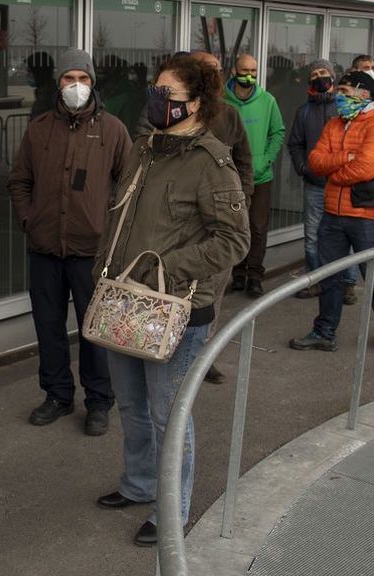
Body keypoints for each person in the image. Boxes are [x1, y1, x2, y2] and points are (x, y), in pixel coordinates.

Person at [94, 54, 250, 547]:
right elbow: (121, 219)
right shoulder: (146, 148)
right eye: (155, 91)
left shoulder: (210, 162)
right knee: (132, 404)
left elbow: (233, 241)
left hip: (176, 308)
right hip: (126, 299)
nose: (157, 101)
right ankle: (140, 484)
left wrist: (168, 268)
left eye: (168, 95)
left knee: (169, 414)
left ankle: (171, 510)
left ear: (196, 103)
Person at [8, 48, 130, 436]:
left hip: (91, 251)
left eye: (83, 78)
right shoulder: (39, 127)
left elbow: (129, 186)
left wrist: (110, 230)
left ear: (93, 83)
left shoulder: (112, 130)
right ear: (57, 83)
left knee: (93, 329)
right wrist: (28, 218)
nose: (75, 86)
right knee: (49, 327)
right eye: (68, 78)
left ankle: (99, 401)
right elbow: (19, 180)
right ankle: (58, 395)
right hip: (44, 248)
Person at [290, 71, 374, 355]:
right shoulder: (334, 123)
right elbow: (315, 161)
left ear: (364, 94)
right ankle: (325, 332)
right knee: (330, 278)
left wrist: (334, 174)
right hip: (332, 213)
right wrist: (343, 159)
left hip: (364, 214)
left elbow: (366, 168)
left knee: (373, 277)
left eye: (345, 91)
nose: (339, 96)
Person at [188, 50, 254, 385]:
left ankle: (203, 357)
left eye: (216, 70)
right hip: (183, 224)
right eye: (205, 70)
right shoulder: (176, 113)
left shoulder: (230, 115)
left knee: (214, 293)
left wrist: (240, 201)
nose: (213, 76)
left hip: (220, 225)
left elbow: (244, 161)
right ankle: (176, 355)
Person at [288, 59, 357, 301]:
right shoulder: (304, 111)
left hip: (343, 185)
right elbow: (295, 144)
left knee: (345, 235)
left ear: (333, 77)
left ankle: (348, 283)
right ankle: (315, 280)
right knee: (312, 235)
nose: (320, 77)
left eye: (324, 72)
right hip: (315, 185)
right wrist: (303, 167)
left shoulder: (345, 108)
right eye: (315, 74)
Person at [225, 54, 286, 297]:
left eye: (253, 70)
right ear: (233, 71)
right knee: (234, 225)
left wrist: (265, 160)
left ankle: (255, 276)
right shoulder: (222, 101)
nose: (249, 75)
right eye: (244, 70)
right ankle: (238, 274)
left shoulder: (268, 100)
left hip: (260, 177)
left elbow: (278, 132)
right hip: (230, 175)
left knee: (258, 228)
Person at [26, 51, 57, 120]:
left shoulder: (44, 101)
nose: (27, 75)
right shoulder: (51, 93)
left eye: (29, 71)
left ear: (38, 72)